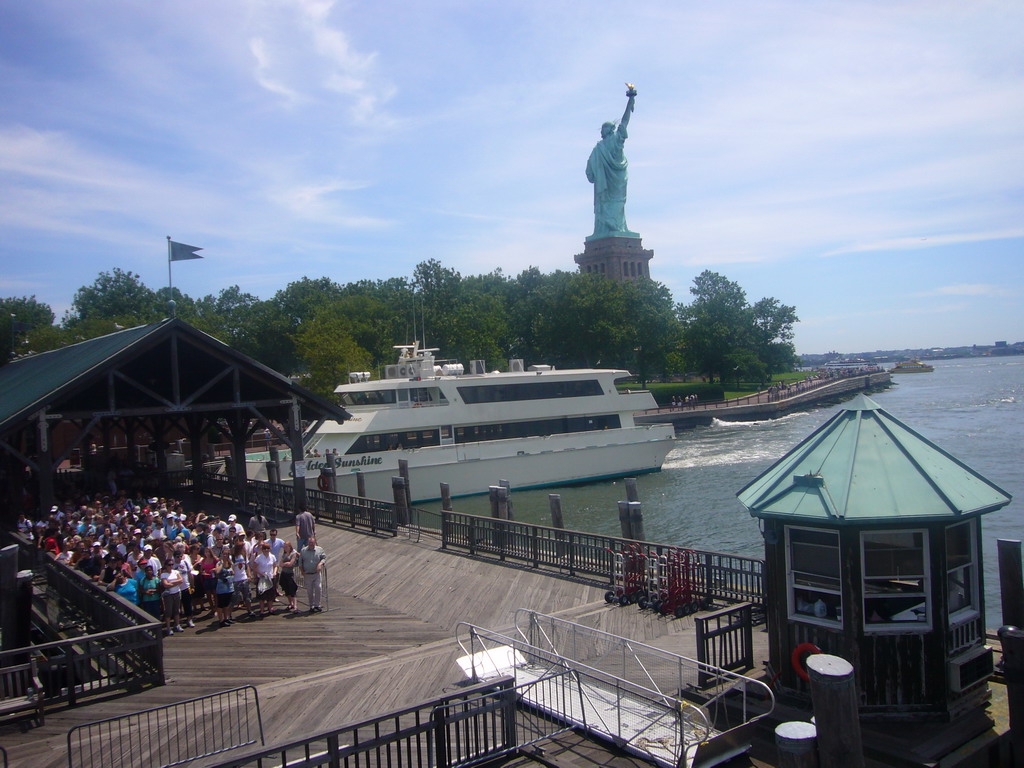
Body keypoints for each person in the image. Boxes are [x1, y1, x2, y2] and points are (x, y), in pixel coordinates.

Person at [586, 86, 637, 239]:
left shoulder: (613, 140)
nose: (601, 131)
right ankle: (608, 229)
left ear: (609, 130)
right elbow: (589, 172)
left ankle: (617, 228)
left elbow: (625, 121)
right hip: (612, 182)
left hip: (614, 182)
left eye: (603, 128)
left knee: (615, 204)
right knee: (612, 204)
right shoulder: (598, 149)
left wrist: (630, 100)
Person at [299, 535, 326, 613]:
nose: (311, 544)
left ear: (315, 542)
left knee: (318, 588)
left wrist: (320, 564)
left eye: (312, 543)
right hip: (307, 574)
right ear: (308, 542)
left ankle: (317, 605)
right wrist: (302, 571)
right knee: (309, 591)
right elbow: (300, 562)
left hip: (316, 573)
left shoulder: (319, 549)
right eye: (310, 543)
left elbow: (324, 558)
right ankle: (311, 606)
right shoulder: (303, 550)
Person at [252, 542, 278, 615]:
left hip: (270, 577)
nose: (266, 550)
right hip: (262, 578)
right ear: (262, 549)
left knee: (270, 595)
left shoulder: (272, 556)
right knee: (262, 595)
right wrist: (260, 573)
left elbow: (275, 565)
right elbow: (254, 567)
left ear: (270, 549)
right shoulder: (259, 557)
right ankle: (262, 611)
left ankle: (270, 609)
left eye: (267, 548)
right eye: (264, 548)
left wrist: (274, 572)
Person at [159, 560, 183, 635]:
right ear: (166, 565)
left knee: (176, 610)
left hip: (177, 593)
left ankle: (177, 624)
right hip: (169, 594)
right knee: (168, 611)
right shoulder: (163, 574)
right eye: (169, 565)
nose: (171, 566)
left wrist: (171, 583)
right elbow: (165, 584)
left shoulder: (176, 572)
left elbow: (181, 580)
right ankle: (168, 628)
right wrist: (176, 582)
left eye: (172, 564)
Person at [214, 552, 235, 627]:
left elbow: (233, 571)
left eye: (226, 554)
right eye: (224, 554)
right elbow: (217, 571)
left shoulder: (230, 563)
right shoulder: (219, 563)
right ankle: (221, 620)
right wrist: (222, 563)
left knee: (227, 603)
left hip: (229, 585)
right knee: (220, 604)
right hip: (221, 586)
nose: (225, 556)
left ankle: (226, 618)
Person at [278, 541, 299, 613]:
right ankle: (291, 604)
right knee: (286, 589)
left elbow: (290, 564)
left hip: (290, 573)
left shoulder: (293, 553)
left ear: (290, 546)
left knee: (292, 590)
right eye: (284, 546)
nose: (285, 548)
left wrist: (285, 563)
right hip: (284, 573)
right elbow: (280, 564)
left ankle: (295, 607)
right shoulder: (284, 554)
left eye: (286, 546)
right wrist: (285, 564)